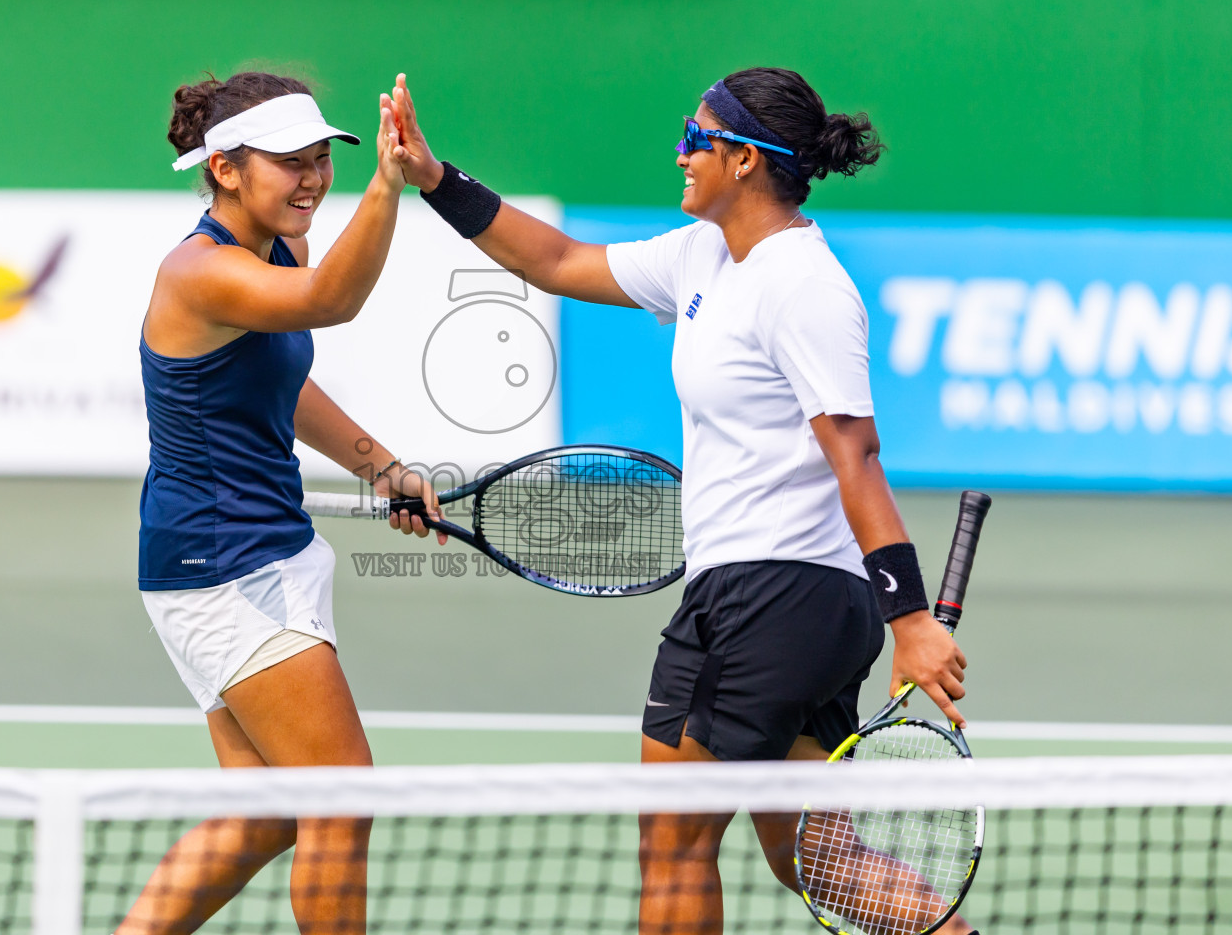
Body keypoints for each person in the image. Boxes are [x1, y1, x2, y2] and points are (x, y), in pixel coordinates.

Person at [386, 68, 979, 935]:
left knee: (673, 842)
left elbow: (854, 453)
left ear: (744, 160)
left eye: (695, 136)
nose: (681, 150)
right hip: (787, 601)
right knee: (820, 855)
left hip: (770, 596)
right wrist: (436, 179)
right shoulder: (704, 255)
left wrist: (912, 617)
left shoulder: (803, 285)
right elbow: (551, 260)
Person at [119, 70, 444, 935]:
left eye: (320, 160)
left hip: (260, 555)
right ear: (224, 168)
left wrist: (382, 468)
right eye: (289, 163)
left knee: (266, 812)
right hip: (220, 569)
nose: (311, 179)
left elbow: (282, 383)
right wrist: (388, 182)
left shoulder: (277, 249)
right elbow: (330, 303)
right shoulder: (198, 273)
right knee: (340, 798)